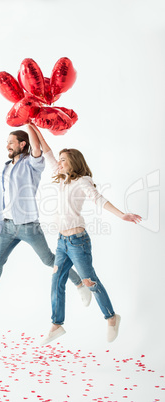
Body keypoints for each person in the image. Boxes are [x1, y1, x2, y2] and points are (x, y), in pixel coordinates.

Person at [0, 126, 91, 322]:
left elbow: (37, 147)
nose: (7, 145)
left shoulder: (32, 164)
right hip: (7, 225)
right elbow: (1, 196)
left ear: (22, 144)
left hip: (28, 226)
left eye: (11, 142)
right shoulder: (7, 166)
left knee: (48, 260)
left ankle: (79, 284)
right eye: (7, 142)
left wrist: (29, 123)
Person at [28, 123, 142, 344]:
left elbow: (99, 200)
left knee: (90, 281)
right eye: (59, 160)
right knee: (56, 281)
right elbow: (48, 153)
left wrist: (121, 215)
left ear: (73, 163)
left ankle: (111, 317)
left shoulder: (83, 181)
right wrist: (35, 129)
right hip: (61, 241)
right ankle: (56, 324)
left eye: (63, 160)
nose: (58, 163)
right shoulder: (61, 177)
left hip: (77, 242)